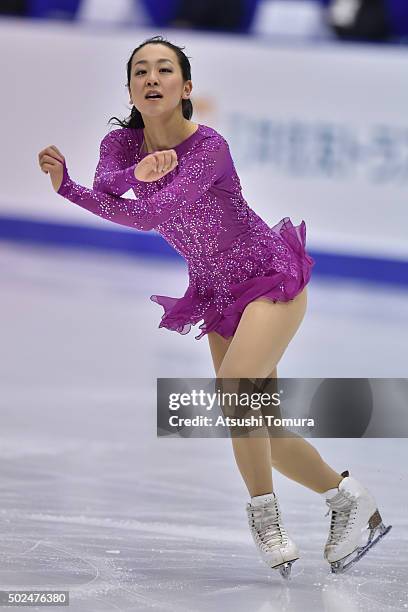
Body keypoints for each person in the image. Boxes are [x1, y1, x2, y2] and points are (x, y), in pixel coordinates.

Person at [37, 35, 391, 578]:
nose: (151, 78)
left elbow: (146, 218)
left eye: (163, 70)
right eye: (140, 71)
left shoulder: (208, 147)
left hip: (268, 276)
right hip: (214, 291)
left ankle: (264, 518)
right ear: (130, 88)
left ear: (186, 86)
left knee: (234, 390)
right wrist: (97, 182)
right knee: (258, 430)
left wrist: (123, 185)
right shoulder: (119, 145)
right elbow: (109, 184)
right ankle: (349, 499)